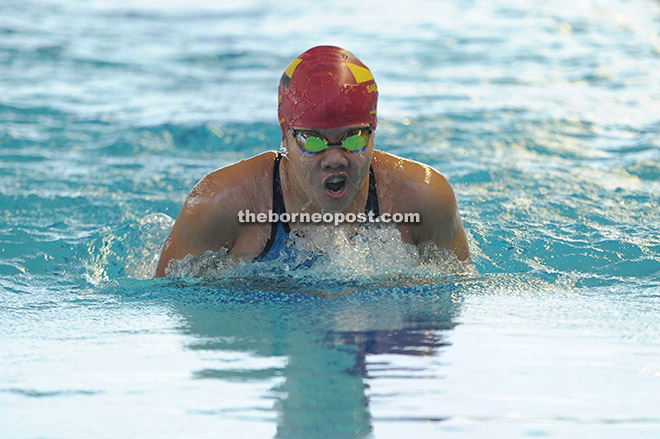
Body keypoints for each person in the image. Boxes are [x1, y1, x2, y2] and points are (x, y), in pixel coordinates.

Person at [155, 46, 470, 277]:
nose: (335, 159)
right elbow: (166, 306)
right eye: (313, 141)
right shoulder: (219, 204)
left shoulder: (425, 199)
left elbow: (457, 297)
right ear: (286, 136)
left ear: (374, 131)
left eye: (354, 139)